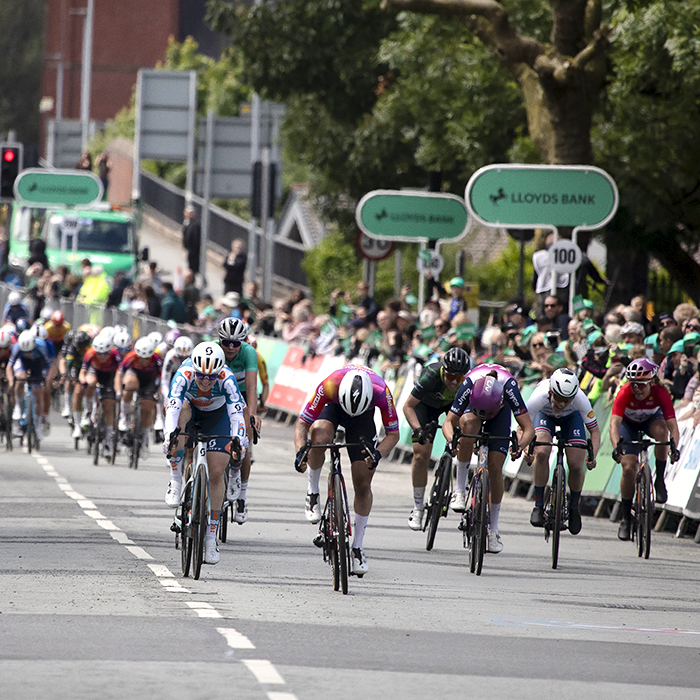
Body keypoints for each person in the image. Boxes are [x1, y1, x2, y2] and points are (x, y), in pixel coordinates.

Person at [293, 366, 400, 575]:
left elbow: (393, 435)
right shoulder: (329, 385)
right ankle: (312, 491)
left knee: (362, 483)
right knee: (320, 435)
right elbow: (302, 424)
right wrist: (299, 453)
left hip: (362, 418)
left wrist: (377, 454)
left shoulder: (381, 392)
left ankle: (358, 547)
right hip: (333, 408)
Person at [163, 342, 248, 566]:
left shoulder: (227, 380)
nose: (205, 380)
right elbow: (172, 408)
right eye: (201, 375)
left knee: (217, 472)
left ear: (219, 371)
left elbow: (237, 414)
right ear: (194, 369)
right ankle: (175, 480)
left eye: (211, 377)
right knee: (180, 417)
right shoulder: (183, 374)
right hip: (189, 411)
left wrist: (238, 439)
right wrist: (169, 435)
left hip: (217, 417)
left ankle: (211, 537)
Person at [442, 364, 535, 554]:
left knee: (495, 468)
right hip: (473, 409)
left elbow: (529, 429)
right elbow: (448, 422)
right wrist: (452, 441)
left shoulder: (510, 388)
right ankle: (460, 489)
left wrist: (519, 447)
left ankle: (493, 530)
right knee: (468, 425)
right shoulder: (469, 383)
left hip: (499, 414)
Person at [609, 359, 680, 540]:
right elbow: (614, 425)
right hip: (628, 425)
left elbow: (673, 427)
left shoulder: (660, 393)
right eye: (634, 384)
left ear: (652, 382)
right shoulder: (625, 392)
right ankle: (625, 518)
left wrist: (673, 448)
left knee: (662, 432)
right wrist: (617, 447)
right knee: (628, 468)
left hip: (650, 421)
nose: (637, 389)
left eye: (642, 384)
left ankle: (659, 481)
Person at [402, 347, 471, 530]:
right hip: (426, 408)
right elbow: (408, 406)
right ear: (444, 371)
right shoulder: (431, 374)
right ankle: (417, 508)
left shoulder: (467, 383)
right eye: (451, 377)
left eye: (459, 378)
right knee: (420, 455)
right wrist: (417, 430)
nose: (455, 382)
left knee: (466, 431)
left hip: (452, 409)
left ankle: (459, 491)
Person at [527, 369, 601, 534]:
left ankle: (574, 507)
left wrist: (593, 455)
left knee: (576, 465)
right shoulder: (539, 395)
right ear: (551, 391)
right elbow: (523, 426)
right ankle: (538, 505)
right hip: (544, 415)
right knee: (542, 451)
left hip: (571, 418)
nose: (561, 404)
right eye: (559, 398)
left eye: (567, 400)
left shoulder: (580, 399)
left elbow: (595, 432)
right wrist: (526, 449)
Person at [218, 318, 260, 524]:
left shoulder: (248, 352)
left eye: (237, 342)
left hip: (242, 394)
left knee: (245, 439)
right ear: (219, 341)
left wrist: (251, 416)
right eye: (227, 343)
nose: (232, 347)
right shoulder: (214, 351)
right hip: (220, 393)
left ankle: (242, 496)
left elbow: (252, 387)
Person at [115, 336, 163, 456]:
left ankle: (145, 439)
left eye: (147, 358)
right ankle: (123, 417)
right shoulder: (130, 356)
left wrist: (159, 392)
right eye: (141, 357)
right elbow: (119, 374)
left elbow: (163, 378)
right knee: (129, 384)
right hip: (134, 376)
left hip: (149, 380)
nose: (144, 361)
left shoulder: (157, 359)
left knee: (148, 407)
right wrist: (118, 391)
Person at [79, 334, 121, 455]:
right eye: (99, 353)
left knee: (109, 407)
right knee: (90, 382)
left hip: (110, 376)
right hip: (95, 372)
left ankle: (108, 441)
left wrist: (118, 390)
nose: (102, 356)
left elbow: (120, 374)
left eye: (105, 354)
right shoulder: (90, 353)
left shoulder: (115, 355)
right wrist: (83, 381)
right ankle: (87, 411)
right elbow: (83, 372)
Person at [7, 330, 50, 440]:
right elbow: (9, 366)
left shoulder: (41, 346)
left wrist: (45, 378)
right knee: (19, 380)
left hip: (37, 363)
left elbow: (48, 364)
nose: (28, 353)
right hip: (22, 363)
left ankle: (38, 425)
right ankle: (17, 407)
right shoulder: (17, 348)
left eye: (30, 351)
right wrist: (12, 381)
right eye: (25, 351)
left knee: (38, 392)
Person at [182, 206, 201, 276]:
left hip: (194, 251)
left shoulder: (195, 225)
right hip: (189, 249)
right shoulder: (187, 223)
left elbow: (196, 239)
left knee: (193, 268)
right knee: (189, 266)